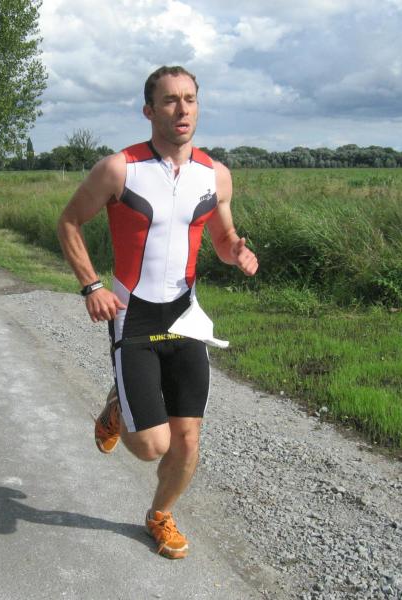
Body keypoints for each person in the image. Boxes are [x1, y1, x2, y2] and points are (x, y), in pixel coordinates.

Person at [57, 65, 258, 559]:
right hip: (134, 315)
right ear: (149, 111)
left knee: (187, 441)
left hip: (186, 315)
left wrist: (236, 251)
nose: (182, 109)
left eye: (190, 98)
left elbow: (223, 236)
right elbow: (69, 222)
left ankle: (160, 515)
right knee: (151, 446)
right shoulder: (119, 169)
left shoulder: (215, 175)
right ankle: (118, 409)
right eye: (170, 100)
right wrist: (91, 285)